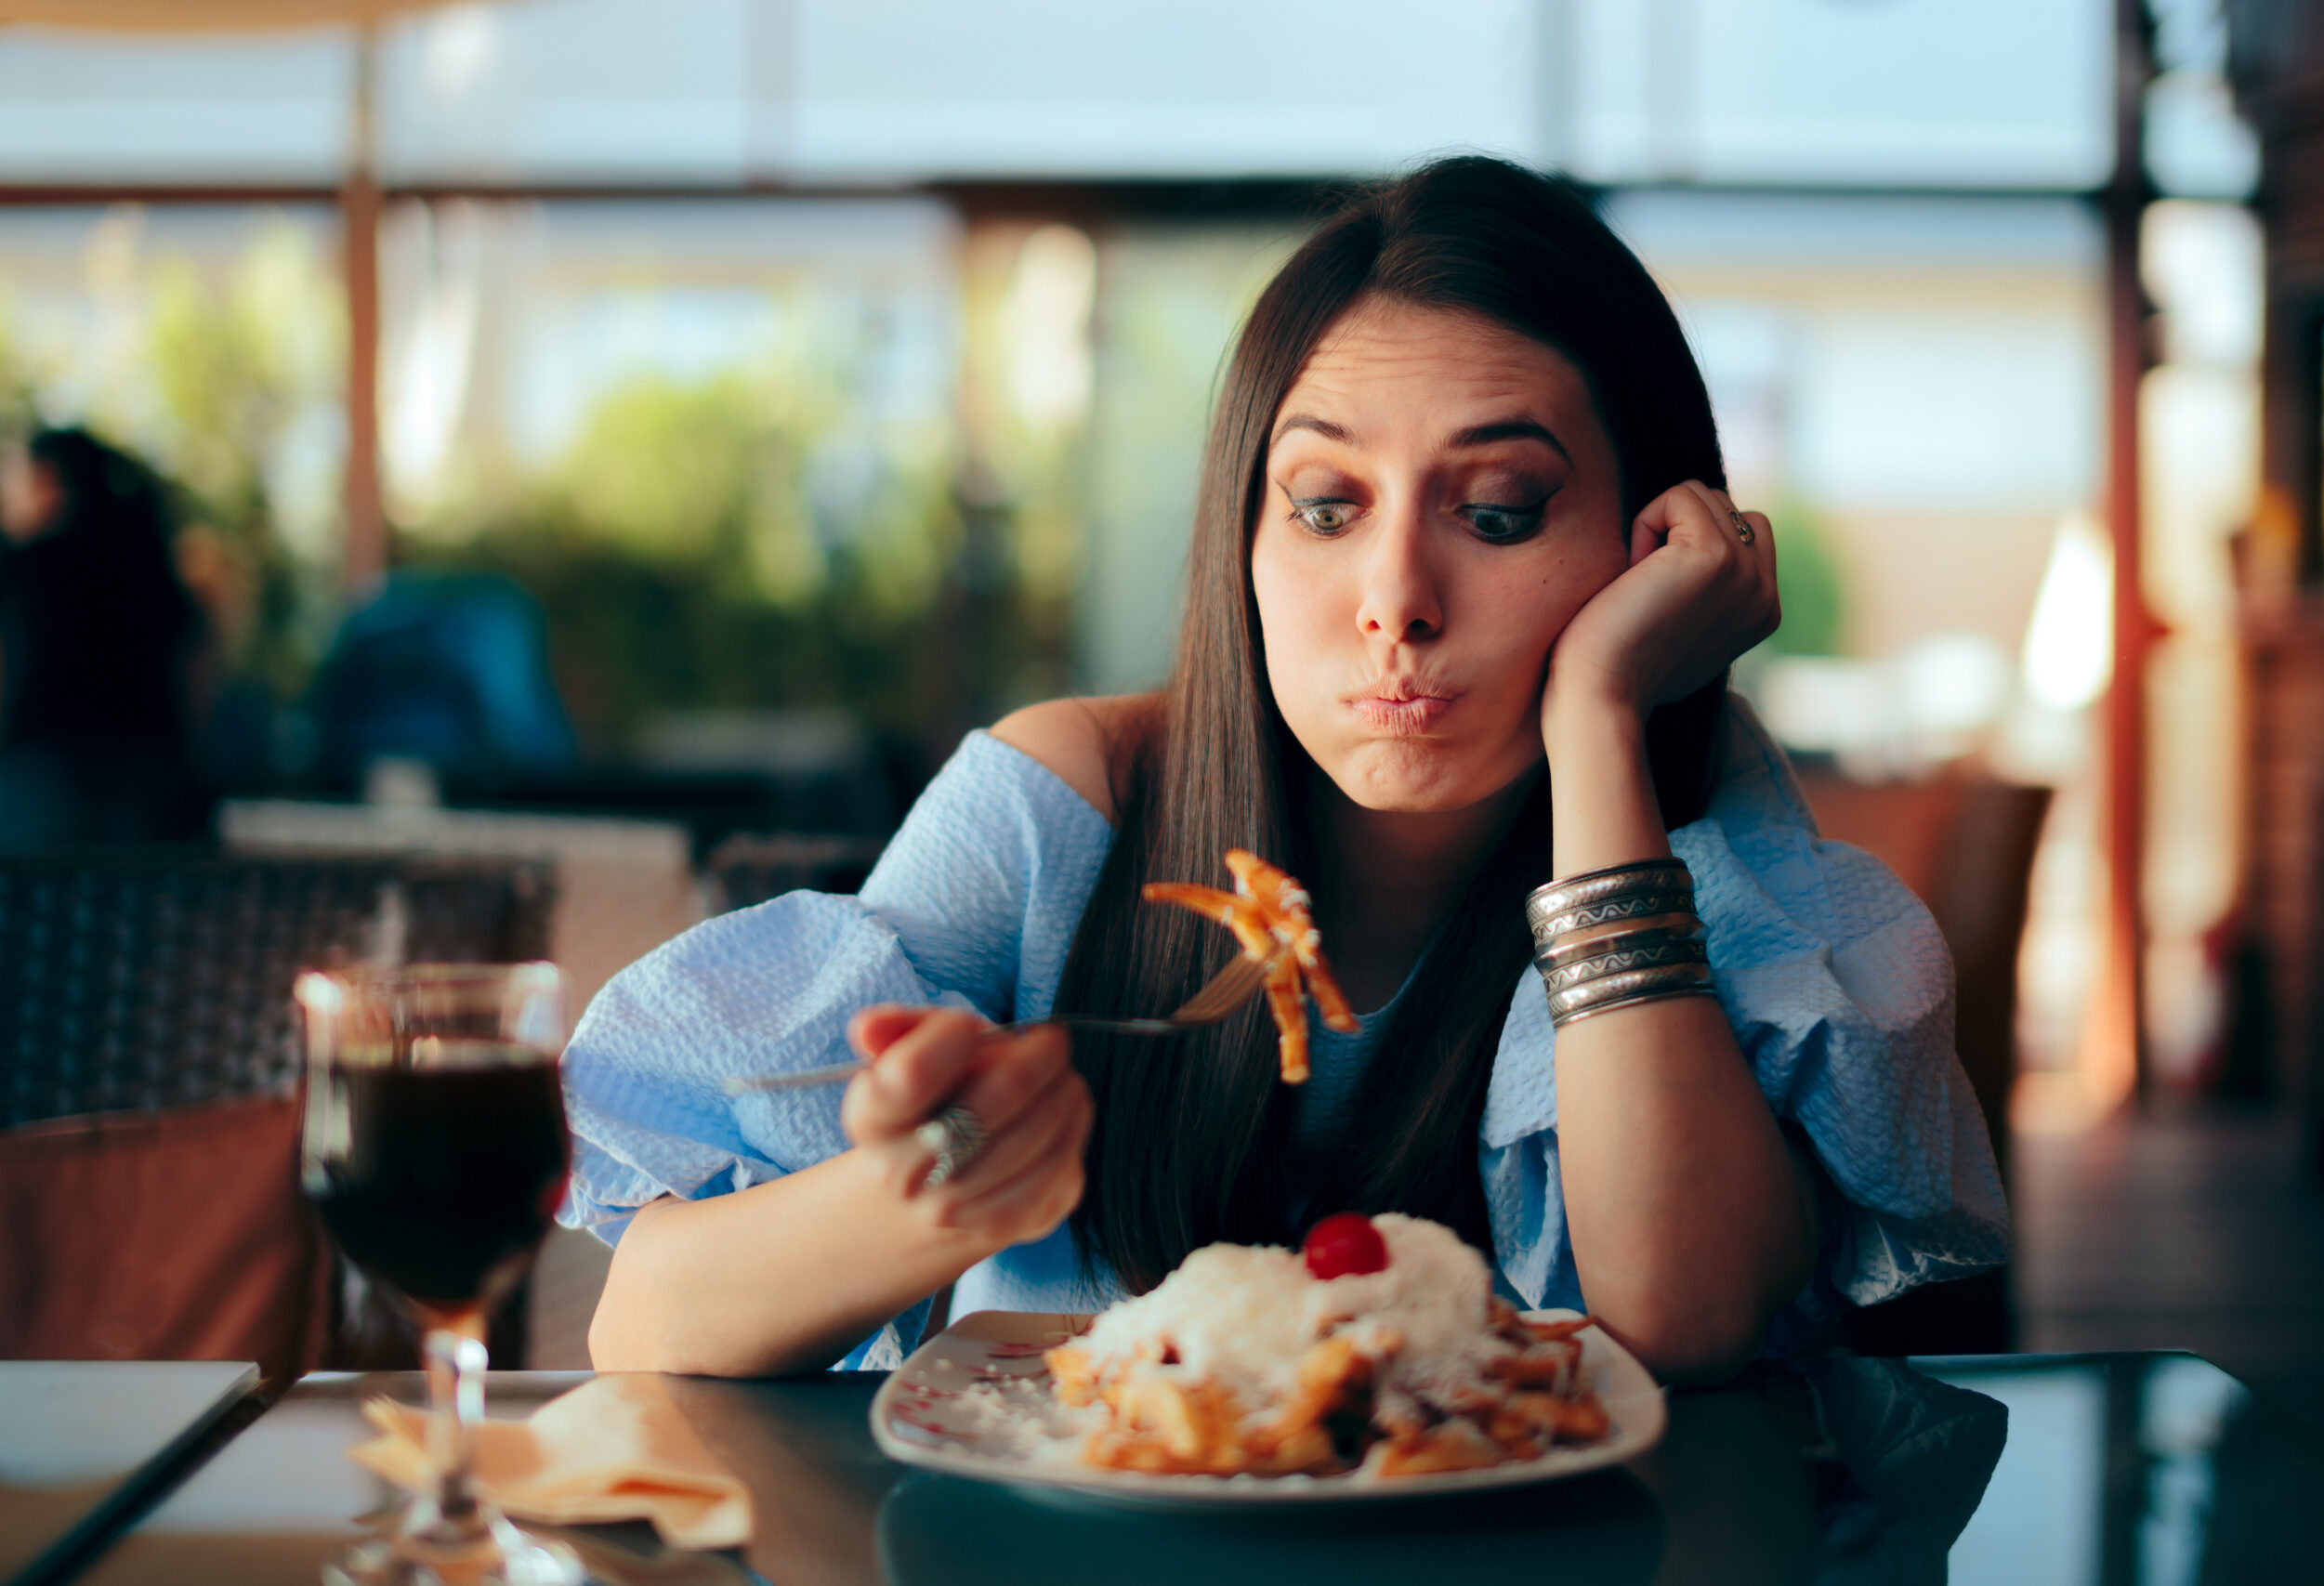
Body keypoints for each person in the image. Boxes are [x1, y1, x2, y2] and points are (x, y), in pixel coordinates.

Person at [562, 157, 2006, 1383]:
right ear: (1241, 543)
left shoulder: (1695, 837)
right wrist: (927, 1189)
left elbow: (1682, 1316)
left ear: (1646, 542)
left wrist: (1594, 721)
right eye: (1325, 505)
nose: (1395, 596)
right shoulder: (1069, 801)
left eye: (1499, 511)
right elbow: (649, 1322)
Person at [0, 426, 208, 845]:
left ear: (49, 479)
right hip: (151, 782)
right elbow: (195, 677)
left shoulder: (30, 568)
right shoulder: (150, 570)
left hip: (49, 780)